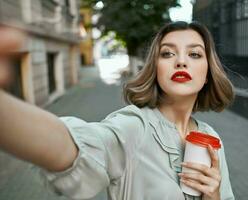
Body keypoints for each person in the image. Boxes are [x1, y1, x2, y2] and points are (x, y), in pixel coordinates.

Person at [0, 21, 235, 200]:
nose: (181, 61)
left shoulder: (212, 138)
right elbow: (72, 147)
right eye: (167, 53)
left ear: (207, 75)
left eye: (194, 54)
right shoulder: (134, 127)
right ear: (156, 70)